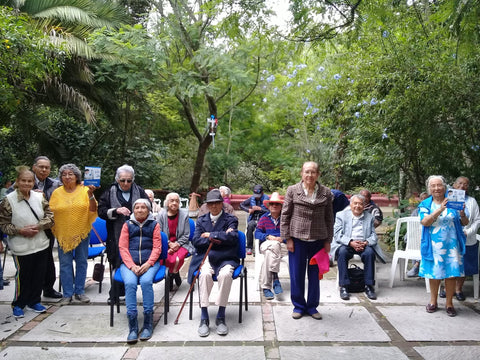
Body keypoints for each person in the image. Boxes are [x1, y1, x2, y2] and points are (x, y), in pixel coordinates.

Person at [280, 161, 333, 320]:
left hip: (318, 240)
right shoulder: (292, 190)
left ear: (318, 175)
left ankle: (312, 306)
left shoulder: (326, 193)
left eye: (313, 172)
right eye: (307, 172)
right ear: (301, 174)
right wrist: (287, 238)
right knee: (297, 274)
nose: (310, 175)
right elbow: (285, 215)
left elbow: (329, 218)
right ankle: (298, 306)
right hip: (297, 239)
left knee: (315, 275)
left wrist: (328, 240)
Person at [0, 167, 54, 317]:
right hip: (21, 246)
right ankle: (18, 303)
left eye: (30, 181)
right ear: (17, 182)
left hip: (41, 243)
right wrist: (20, 231)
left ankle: (34, 301)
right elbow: (3, 224)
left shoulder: (39, 197)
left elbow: (50, 217)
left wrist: (38, 226)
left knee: (39, 275)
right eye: (23, 180)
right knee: (23, 276)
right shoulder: (8, 200)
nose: (27, 183)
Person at [188, 189, 239, 337]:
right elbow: (196, 241)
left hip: (226, 257)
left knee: (225, 275)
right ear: (207, 205)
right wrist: (222, 237)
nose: (214, 206)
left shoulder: (231, 219)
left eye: (217, 203)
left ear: (222, 204)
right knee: (203, 274)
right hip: (206, 257)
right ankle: (204, 317)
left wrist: (211, 235)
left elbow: (233, 238)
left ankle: (221, 316)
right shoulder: (202, 220)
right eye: (211, 204)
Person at [418, 175, 468, 317]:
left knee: (451, 275)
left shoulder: (454, 200)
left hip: (452, 244)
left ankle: (449, 303)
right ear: (429, 189)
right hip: (434, 245)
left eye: (439, 185)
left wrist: (463, 214)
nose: (436, 188)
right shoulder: (426, 204)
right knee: (434, 275)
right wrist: (440, 209)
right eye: (433, 186)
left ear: (444, 187)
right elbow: (425, 222)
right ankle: (433, 302)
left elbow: (465, 222)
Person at [98, 165, 149, 302]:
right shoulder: (109, 192)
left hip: (137, 234)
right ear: (117, 179)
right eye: (122, 180)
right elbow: (101, 211)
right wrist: (116, 211)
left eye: (129, 180)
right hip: (116, 235)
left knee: (133, 262)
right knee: (117, 262)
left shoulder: (140, 191)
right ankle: (114, 294)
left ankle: (131, 292)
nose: (126, 183)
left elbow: (148, 207)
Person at [49, 164, 98, 305]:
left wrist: (90, 195)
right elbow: (51, 211)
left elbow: (93, 210)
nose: (67, 176)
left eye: (71, 174)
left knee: (82, 262)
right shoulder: (56, 192)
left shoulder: (85, 190)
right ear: (60, 177)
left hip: (82, 232)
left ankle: (80, 292)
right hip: (63, 233)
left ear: (77, 176)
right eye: (64, 174)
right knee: (65, 264)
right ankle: (67, 294)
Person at [118, 199, 162, 343]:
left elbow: (157, 248)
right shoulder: (127, 225)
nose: (140, 210)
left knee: (146, 281)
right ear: (133, 210)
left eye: (144, 207)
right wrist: (131, 265)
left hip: (150, 263)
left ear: (149, 210)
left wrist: (149, 263)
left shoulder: (154, 225)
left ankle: (148, 323)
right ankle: (133, 326)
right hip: (130, 264)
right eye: (137, 207)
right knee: (130, 283)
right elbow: (123, 248)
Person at [331, 194, 386, 301]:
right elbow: (337, 235)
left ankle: (369, 286)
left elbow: (373, 236)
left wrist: (365, 243)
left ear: (364, 205)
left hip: (363, 244)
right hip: (346, 244)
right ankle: (344, 286)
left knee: (370, 253)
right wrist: (350, 242)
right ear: (350, 204)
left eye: (360, 204)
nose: (357, 206)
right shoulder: (341, 215)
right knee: (342, 253)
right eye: (355, 203)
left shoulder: (369, 217)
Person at [156, 192, 193, 290]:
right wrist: (168, 243)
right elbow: (158, 233)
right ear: (167, 203)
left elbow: (187, 234)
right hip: (165, 244)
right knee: (166, 258)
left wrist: (177, 244)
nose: (174, 203)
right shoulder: (160, 215)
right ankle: (173, 275)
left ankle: (172, 274)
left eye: (177, 201)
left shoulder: (184, 215)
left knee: (177, 259)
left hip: (181, 244)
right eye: (172, 201)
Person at [451, 177, 480, 300]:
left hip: (468, 238)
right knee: (451, 264)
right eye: (460, 183)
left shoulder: (472, 201)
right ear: (454, 185)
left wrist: (468, 232)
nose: (462, 186)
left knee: (464, 265)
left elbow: (477, 220)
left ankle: (458, 289)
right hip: (451, 238)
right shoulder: (448, 200)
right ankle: (448, 288)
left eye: (466, 184)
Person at [254, 192, 287, 300]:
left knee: (270, 253)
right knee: (273, 245)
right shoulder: (264, 218)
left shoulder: (286, 219)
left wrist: (283, 239)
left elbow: (292, 234)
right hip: (267, 244)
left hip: (282, 247)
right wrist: (268, 236)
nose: (274, 206)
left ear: (281, 206)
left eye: (277, 204)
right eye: (272, 204)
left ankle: (266, 287)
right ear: (268, 206)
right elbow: (257, 233)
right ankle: (275, 279)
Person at [240, 184, 269, 255]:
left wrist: (260, 209)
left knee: (262, 229)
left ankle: (261, 247)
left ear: (262, 193)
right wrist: (248, 210)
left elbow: (270, 211)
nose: (257, 198)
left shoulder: (267, 199)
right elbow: (241, 205)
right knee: (250, 226)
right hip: (254, 219)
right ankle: (249, 247)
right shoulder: (252, 198)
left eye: (258, 195)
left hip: (263, 219)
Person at [406, 191, 429, 278]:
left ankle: (417, 265)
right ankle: (417, 265)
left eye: (426, 199)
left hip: (427, 235)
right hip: (416, 235)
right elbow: (411, 225)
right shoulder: (416, 211)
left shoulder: (433, 210)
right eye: (422, 199)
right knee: (412, 239)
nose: (424, 200)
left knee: (423, 240)